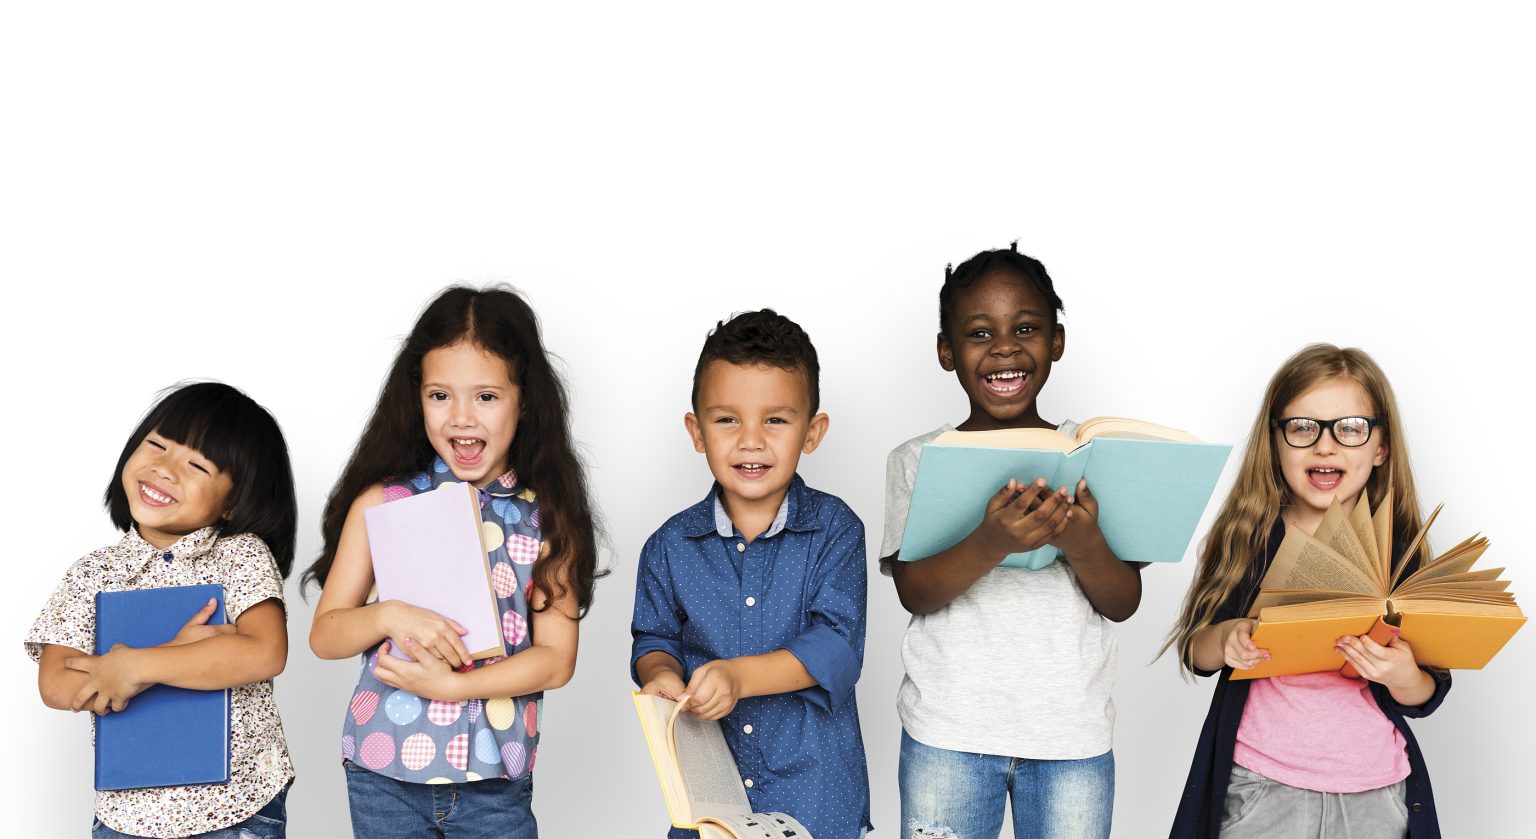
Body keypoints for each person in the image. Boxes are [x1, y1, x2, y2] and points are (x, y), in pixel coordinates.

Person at [305, 285, 601, 838]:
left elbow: (556, 661)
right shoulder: (382, 504)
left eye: (486, 397)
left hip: (495, 777)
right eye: (440, 395)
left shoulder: (550, 521)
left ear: (525, 400)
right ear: (416, 398)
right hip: (383, 770)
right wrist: (389, 614)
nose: (461, 418)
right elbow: (326, 634)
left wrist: (454, 687)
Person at [882, 245, 1142, 839]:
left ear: (1057, 341)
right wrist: (990, 541)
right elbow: (915, 593)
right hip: (947, 732)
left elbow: (1123, 600)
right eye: (980, 332)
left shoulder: (1093, 456)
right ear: (947, 351)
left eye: (1026, 328)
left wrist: (1083, 540)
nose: (1005, 347)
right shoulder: (917, 460)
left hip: (1071, 735)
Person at [1165, 343, 1448, 838]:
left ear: (1381, 448)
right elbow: (1197, 651)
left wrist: (1403, 674)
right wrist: (1229, 636)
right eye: (1302, 428)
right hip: (1262, 788)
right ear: (1276, 443)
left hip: (1378, 791)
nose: (1326, 446)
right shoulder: (1248, 536)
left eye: (1351, 428)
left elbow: (1426, 691)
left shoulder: (1401, 552)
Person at [631, 309, 872, 839]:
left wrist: (737, 677)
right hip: (708, 798)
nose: (751, 440)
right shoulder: (668, 547)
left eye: (776, 419)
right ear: (696, 431)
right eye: (727, 419)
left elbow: (835, 646)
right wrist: (661, 676)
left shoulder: (836, 530)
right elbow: (654, 639)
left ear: (813, 432)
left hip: (816, 795)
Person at [27, 381, 299, 838]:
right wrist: (167, 656)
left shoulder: (240, 555)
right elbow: (57, 682)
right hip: (125, 815)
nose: (165, 469)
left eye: (196, 465)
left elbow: (264, 653)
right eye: (156, 445)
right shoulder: (93, 573)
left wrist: (137, 665)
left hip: (234, 808)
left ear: (233, 502)